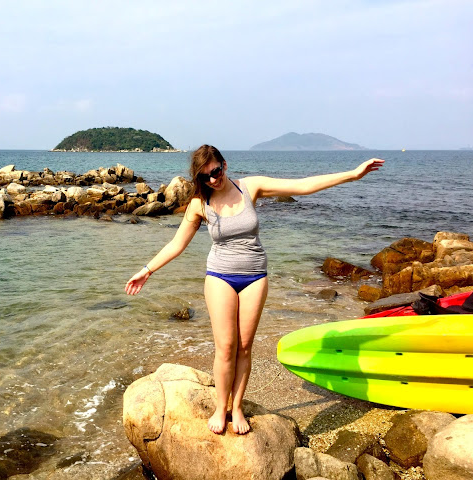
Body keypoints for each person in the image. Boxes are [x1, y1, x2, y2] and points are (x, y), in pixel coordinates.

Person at [125, 145, 384, 435]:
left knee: (245, 347)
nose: (213, 179)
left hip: (255, 277)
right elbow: (177, 244)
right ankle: (220, 408)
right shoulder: (200, 204)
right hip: (220, 277)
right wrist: (147, 270)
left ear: (224, 164)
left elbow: (303, 185)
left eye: (216, 171)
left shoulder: (250, 187)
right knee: (225, 347)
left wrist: (352, 175)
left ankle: (237, 407)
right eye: (205, 176)